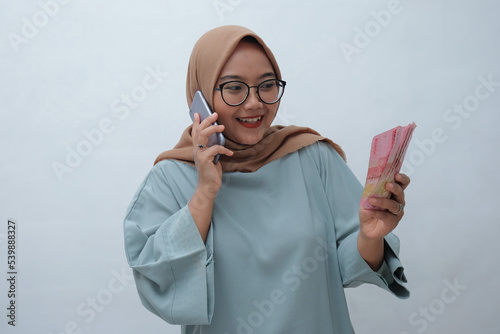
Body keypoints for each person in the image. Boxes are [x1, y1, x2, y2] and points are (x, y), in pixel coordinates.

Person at [123, 25, 410, 334]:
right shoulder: (170, 178)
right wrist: (205, 192)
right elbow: (160, 283)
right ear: (201, 95)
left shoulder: (312, 157)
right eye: (234, 88)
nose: (255, 103)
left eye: (267, 85)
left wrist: (370, 236)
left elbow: (347, 264)